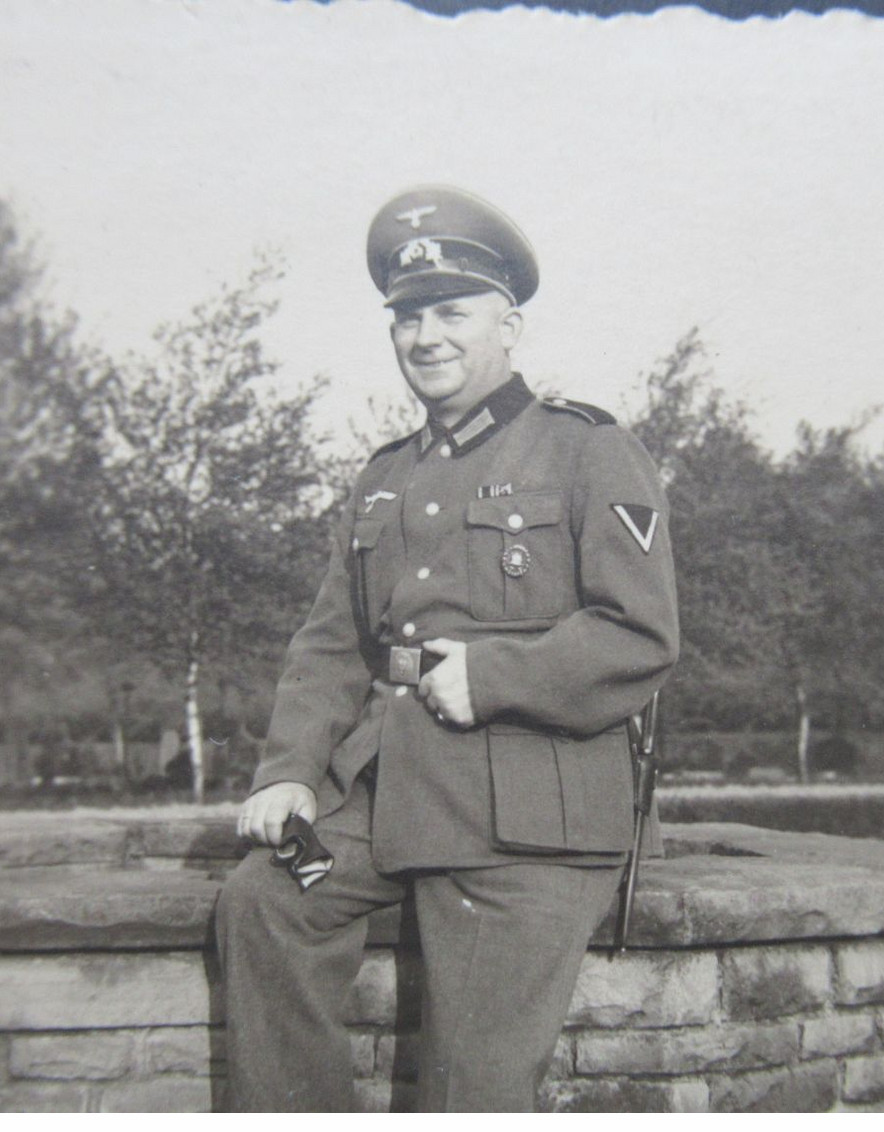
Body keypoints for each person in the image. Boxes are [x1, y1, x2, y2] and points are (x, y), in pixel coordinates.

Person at [214, 185, 680, 1112]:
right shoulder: (385, 477)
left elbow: (641, 635)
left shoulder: (588, 449)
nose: (427, 337)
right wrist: (289, 771)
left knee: (471, 1086)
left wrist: (497, 676)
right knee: (266, 901)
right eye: (409, 318)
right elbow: (332, 645)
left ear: (508, 325)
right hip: (388, 802)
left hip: (530, 823)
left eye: (453, 313)